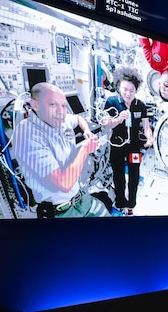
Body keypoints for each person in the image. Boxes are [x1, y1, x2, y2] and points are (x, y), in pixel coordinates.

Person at [12, 82, 110, 218]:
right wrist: (84, 150)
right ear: (35, 105)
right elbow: (65, 183)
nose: (61, 112)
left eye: (64, 106)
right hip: (61, 212)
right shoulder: (26, 135)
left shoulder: (60, 119)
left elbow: (78, 118)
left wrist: (86, 130)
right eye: (53, 104)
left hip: (81, 199)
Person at [101, 66, 153, 215]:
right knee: (119, 177)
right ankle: (120, 203)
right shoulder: (112, 102)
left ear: (136, 90)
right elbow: (105, 124)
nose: (128, 93)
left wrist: (149, 137)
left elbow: (146, 127)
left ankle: (131, 205)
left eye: (131, 90)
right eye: (125, 89)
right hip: (117, 145)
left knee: (134, 176)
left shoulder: (140, 105)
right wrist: (118, 119)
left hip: (134, 147)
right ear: (119, 87)